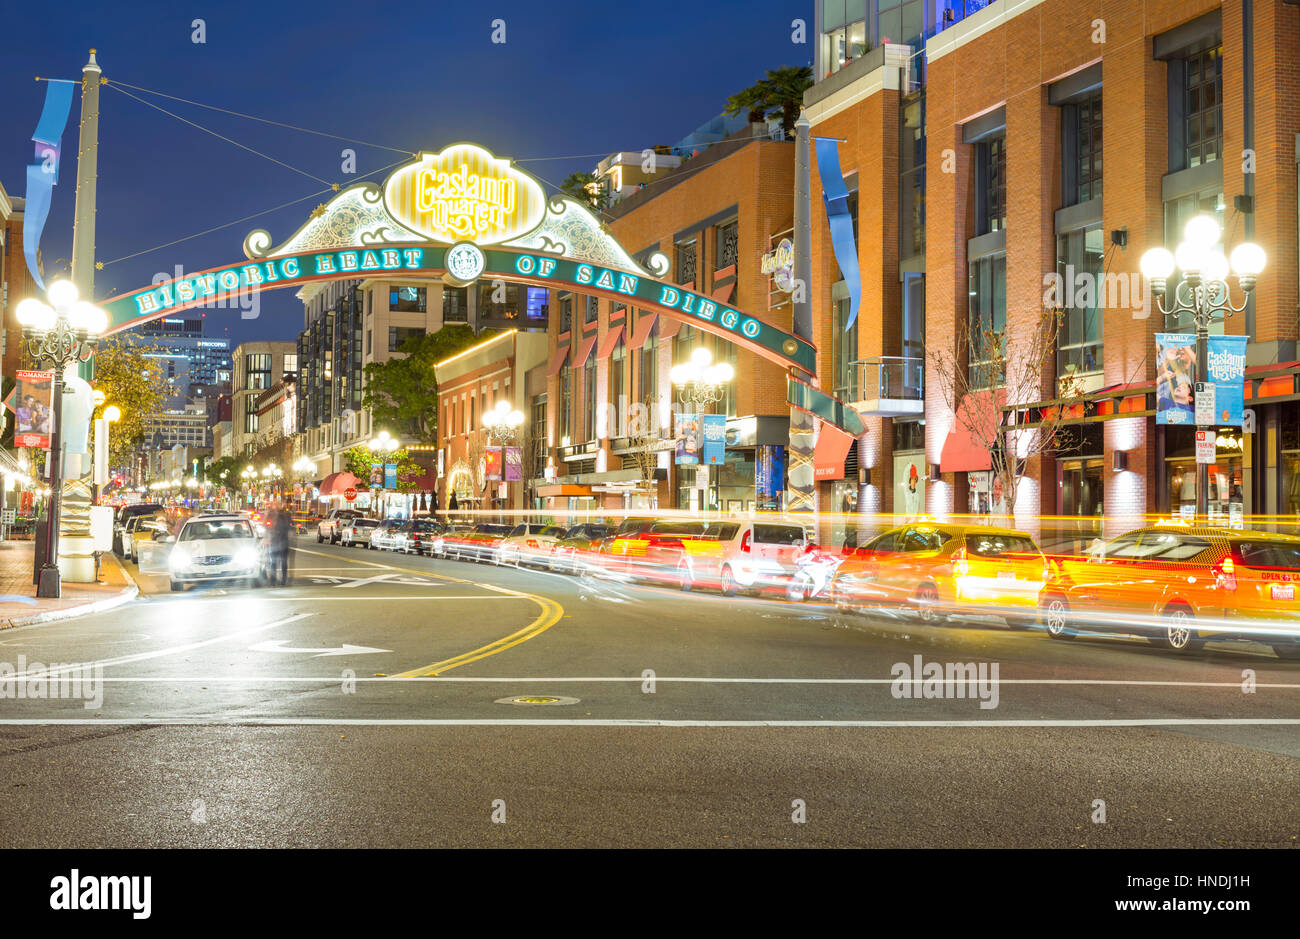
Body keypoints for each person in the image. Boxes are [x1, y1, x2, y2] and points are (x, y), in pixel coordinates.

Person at [270, 502, 292, 586]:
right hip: (282, 543)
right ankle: (282, 580)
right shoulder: (286, 516)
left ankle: (274, 581)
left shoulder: (275, 516)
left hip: (277, 543)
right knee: (282, 562)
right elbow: (290, 527)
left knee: (275, 562)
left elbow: (268, 527)